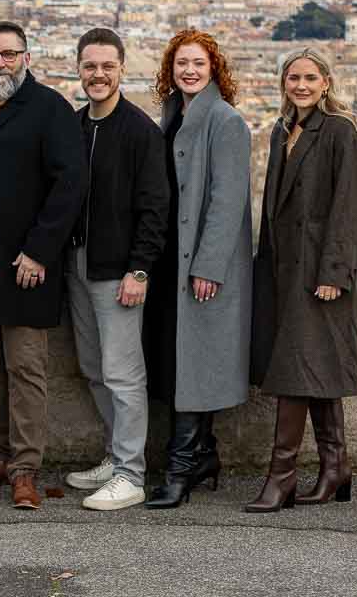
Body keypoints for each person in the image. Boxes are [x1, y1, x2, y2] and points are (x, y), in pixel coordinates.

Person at [0, 20, 86, 510]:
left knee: (26, 368)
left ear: (27, 57)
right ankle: (0, 455)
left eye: (9, 55)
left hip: (26, 264)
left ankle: (26, 468)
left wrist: (40, 250)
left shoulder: (50, 108)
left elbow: (69, 186)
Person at [246, 47, 357, 513]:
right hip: (284, 270)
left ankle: (281, 478)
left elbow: (349, 208)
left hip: (319, 273)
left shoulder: (342, 132)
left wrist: (335, 273)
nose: (300, 85)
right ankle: (335, 466)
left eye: (309, 78)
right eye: (293, 77)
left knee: (297, 373)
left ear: (326, 83)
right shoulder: (283, 131)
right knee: (316, 369)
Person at [142, 28, 252, 510]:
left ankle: (181, 469)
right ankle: (204, 454)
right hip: (171, 257)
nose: (188, 71)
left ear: (214, 71)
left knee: (194, 366)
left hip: (200, 263)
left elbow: (228, 201)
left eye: (198, 64)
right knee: (177, 360)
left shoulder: (225, 121)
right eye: (181, 63)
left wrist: (209, 265)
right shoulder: (173, 115)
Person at [63, 28, 169, 511]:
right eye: (90, 66)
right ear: (79, 69)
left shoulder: (140, 131)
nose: (98, 74)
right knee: (93, 368)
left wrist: (140, 270)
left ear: (123, 69)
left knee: (123, 374)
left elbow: (154, 207)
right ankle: (115, 455)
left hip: (119, 270)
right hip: (78, 264)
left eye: (107, 66)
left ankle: (131, 473)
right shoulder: (75, 125)